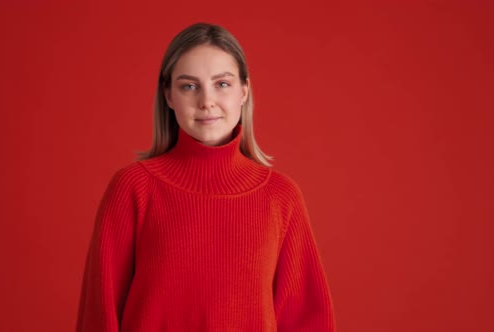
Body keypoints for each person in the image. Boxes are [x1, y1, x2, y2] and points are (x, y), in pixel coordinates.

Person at [76, 22, 335, 331]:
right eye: (189, 86)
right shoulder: (133, 188)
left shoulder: (280, 196)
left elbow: (307, 318)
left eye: (222, 83)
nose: (206, 101)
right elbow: (99, 311)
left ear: (244, 91)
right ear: (168, 96)